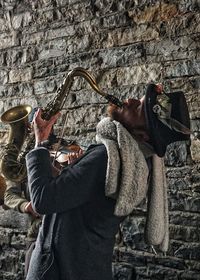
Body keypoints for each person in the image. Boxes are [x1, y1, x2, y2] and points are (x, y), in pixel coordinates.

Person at [25, 83, 190, 280]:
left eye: (139, 108)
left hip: (59, 269)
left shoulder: (106, 157)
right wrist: (71, 171)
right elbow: (85, 199)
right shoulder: (135, 161)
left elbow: (42, 200)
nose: (130, 100)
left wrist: (40, 141)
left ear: (142, 135)